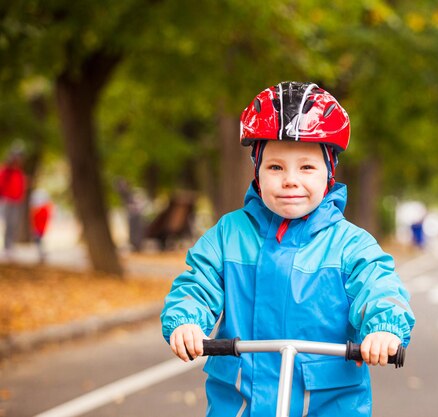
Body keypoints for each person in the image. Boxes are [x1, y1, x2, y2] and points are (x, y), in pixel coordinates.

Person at [161, 81, 415, 417]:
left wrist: (384, 328)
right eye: (275, 167)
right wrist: (186, 321)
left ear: (329, 172)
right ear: (257, 172)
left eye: (307, 167)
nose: (290, 180)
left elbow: (381, 289)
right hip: (240, 402)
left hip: (326, 403)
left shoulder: (352, 246)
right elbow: (197, 282)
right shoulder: (228, 235)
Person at [0, 146, 27, 259]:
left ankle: (10, 246)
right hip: (7, 200)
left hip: (16, 201)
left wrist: (21, 197)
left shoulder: (19, 172)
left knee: (13, 224)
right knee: (6, 223)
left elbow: (21, 187)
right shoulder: (6, 171)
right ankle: (6, 247)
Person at [30, 189, 53, 263]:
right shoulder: (39, 210)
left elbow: (41, 220)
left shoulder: (43, 210)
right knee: (38, 242)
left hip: (40, 229)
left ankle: (42, 253)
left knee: (39, 241)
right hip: (38, 229)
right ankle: (41, 253)